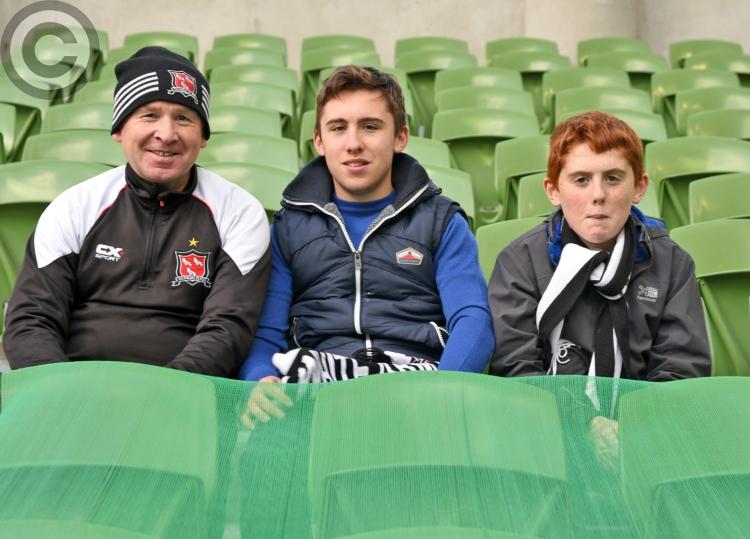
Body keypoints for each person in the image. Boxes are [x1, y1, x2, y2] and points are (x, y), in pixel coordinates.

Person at [3, 46, 271, 377]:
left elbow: (227, 329)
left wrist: (162, 393)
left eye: (184, 118)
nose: (166, 134)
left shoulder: (239, 212)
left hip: (182, 390)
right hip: (71, 382)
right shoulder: (74, 206)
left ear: (203, 136)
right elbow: (31, 318)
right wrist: (59, 388)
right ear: (119, 129)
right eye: (149, 115)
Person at [239, 65, 493, 384]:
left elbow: (472, 319)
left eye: (370, 127)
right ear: (319, 141)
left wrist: (443, 389)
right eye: (338, 128)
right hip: (320, 383)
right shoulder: (288, 229)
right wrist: (261, 379)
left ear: (400, 137)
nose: (353, 143)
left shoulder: (442, 221)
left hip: (417, 382)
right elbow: (265, 333)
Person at [488, 111, 710, 381]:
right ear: (553, 190)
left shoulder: (672, 263)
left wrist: (629, 410)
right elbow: (516, 369)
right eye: (581, 180)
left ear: (639, 187)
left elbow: (680, 369)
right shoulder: (520, 262)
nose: (598, 195)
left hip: (642, 408)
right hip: (545, 406)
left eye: (612, 178)